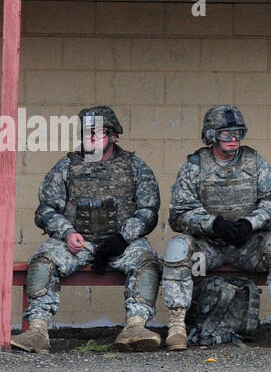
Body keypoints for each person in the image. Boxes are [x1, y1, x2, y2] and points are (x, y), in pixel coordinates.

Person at [12, 106, 162, 354]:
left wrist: (124, 237)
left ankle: (135, 327)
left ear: (113, 136)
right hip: (77, 242)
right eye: (86, 133)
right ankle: (37, 330)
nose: (91, 138)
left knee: (147, 262)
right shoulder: (66, 167)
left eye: (99, 132)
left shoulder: (135, 166)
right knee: (43, 260)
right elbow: (46, 209)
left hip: (120, 243)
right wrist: (67, 232)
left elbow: (149, 210)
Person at [161, 105, 271, 350]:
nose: (234, 139)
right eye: (226, 134)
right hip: (208, 249)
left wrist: (250, 222)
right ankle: (177, 325)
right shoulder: (196, 166)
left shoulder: (255, 163)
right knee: (177, 250)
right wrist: (213, 224)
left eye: (238, 133)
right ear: (212, 135)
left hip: (247, 245)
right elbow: (179, 213)